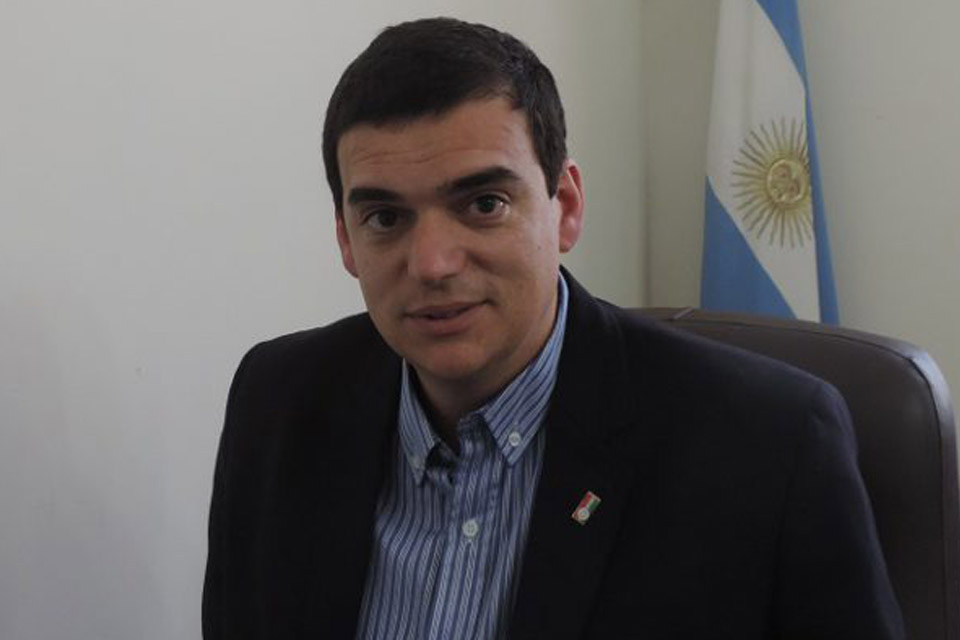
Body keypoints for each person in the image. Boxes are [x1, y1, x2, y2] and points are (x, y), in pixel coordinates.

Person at [202, 17, 904, 639]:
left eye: (483, 203)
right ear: (346, 239)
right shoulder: (278, 402)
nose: (433, 263)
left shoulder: (768, 445)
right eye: (386, 218)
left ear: (564, 206)